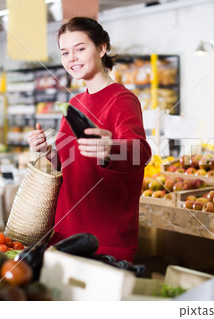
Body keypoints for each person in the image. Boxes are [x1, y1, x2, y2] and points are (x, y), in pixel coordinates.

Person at [27, 17, 151, 262]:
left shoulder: (122, 100)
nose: (71, 58)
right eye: (65, 52)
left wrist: (110, 149)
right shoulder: (74, 103)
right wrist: (46, 150)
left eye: (80, 49)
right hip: (64, 231)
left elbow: (141, 153)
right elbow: (65, 162)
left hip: (104, 238)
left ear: (102, 48)